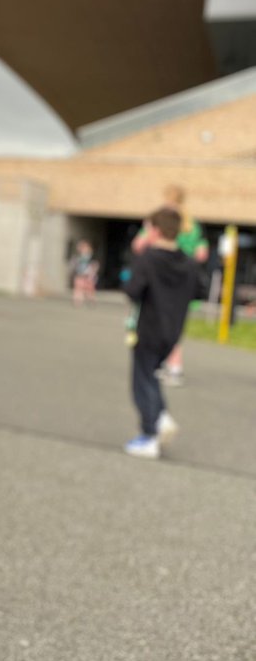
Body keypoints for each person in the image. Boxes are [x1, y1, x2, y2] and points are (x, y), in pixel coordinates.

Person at [122, 206, 200, 459]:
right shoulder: (189, 263)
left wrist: (137, 255)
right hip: (173, 331)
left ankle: (149, 435)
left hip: (149, 328)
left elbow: (132, 290)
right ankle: (161, 416)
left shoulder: (148, 258)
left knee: (141, 380)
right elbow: (199, 290)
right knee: (152, 375)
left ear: (155, 230)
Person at [131, 185, 207, 385]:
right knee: (174, 325)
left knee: (154, 326)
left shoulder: (159, 221)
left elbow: (138, 245)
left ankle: (162, 366)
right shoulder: (192, 224)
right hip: (182, 283)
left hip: (159, 282)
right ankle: (173, 366)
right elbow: (201, 254)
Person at [69, 239, 98, 305]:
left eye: (84, 247)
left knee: (89, 289)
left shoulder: (91, 257)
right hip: (79, 274)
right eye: (81, 248)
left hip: (88, 275)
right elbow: (73, 264)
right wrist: (72, 270)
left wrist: (93, 273)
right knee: (78, 288)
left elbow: (95, 265)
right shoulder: (76, 257)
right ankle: (77, 300)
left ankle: (91, 299)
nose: (82, 249)